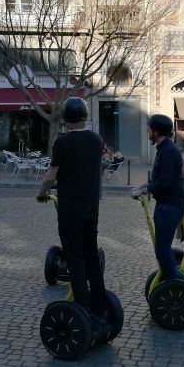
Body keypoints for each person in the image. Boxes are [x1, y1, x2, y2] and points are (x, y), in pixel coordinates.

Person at [37, 98, 109, 324]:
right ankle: (100, 305)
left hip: (70, 210)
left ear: (66, 119)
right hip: (91, 209)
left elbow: (51, 175)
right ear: (85, 116)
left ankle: (83, 308)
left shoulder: (63, 143)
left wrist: (42, 193)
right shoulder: (96, 140)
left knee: (75, 258)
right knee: (91, 256)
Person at [131, 114, 184, 281]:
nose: (148, 133)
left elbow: (164, 183)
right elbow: (158, 178)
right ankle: (170, 279)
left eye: (149, 130)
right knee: (162, 248)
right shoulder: (164, 148)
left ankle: (173, 285)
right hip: (167, 205)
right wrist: (143, 185)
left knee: (162, 250)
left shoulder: (168, 151)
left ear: (156, 132)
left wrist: (144, 192)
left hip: (170, 206)